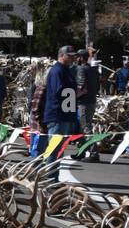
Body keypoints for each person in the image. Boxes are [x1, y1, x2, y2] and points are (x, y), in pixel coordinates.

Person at [42, 46, 79, 177]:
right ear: (62, 55)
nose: (72, 58)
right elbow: (60, 92)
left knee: (59, 150)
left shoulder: (67, 71)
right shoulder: (57, 71)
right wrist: (76, 93)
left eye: (73, 55)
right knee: (54, 149)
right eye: (70, 55)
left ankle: (54, 178)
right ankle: (50, 179)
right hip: (57, 115)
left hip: (66, 115)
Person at [75, 50, 101, 160]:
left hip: (83, 102)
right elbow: (97, 86)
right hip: (92, 101)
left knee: (86, 128)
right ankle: (81, 151)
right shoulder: (93, 70)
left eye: (77, 57)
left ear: (81, 58)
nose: (76, 59)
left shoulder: (81, 69)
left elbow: (82, 88)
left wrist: (73, 97)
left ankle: (94, 153)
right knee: (82, 128)